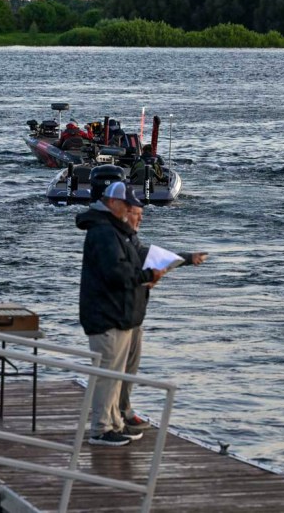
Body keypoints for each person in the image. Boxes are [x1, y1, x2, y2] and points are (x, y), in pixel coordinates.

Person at [75, 181, 165, 447]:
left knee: (115, 375)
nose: (129, 210)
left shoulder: (115, 230)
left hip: (115, 314)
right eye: (127, 205)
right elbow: (115, 273)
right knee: (107, 375)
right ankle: (101, 429)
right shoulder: (104, 232)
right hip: (105, 316)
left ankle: (114, 423)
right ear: (112, 203)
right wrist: (147, 275)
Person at [118, 201, 208, 432]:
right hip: (118, 316)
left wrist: (187, 258)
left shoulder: (130, 238)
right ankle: (112, 420)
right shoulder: (116, 239)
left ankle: (123, 412)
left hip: (133, 315)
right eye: (137, 214)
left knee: (129, 369)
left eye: (142, 214)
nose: (141, 218)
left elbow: (150, 256)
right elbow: (123, 273)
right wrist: (151, 275)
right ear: (124, 212)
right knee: (116, 370)